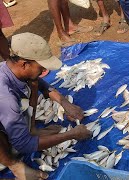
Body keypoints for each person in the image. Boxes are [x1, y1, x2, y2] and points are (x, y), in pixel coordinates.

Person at [0, 32, 92, 176]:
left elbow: (41, 84)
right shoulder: (5, 97)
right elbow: (23, 145)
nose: (45, 70)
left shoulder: (12, 68)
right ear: (25, 64)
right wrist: (70, 134)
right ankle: (13, 165)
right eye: (41, 66)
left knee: (34, 82)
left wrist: (65, 103)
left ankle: (31, 131)